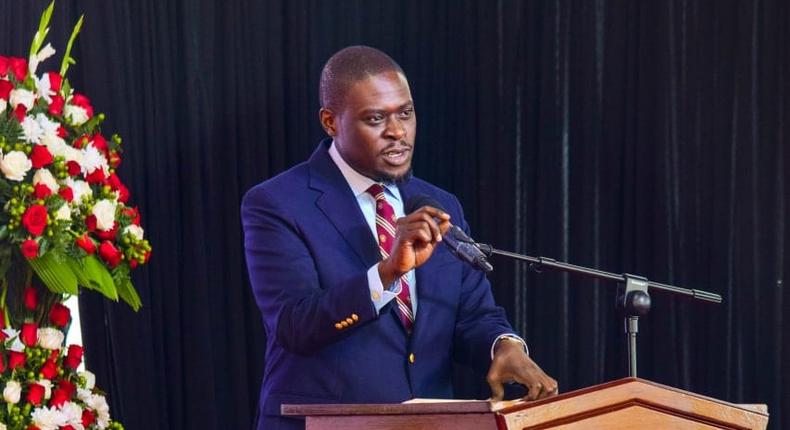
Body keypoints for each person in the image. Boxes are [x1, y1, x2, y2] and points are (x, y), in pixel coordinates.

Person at [241, 45, 557, 430]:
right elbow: (294, 325)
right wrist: (387, 273)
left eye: (405, 113)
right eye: (375, 119)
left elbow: (472, 314)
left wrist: (503, 345)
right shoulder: (277, 203)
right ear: (330, 121)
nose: (397, 131)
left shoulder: (441, 205)